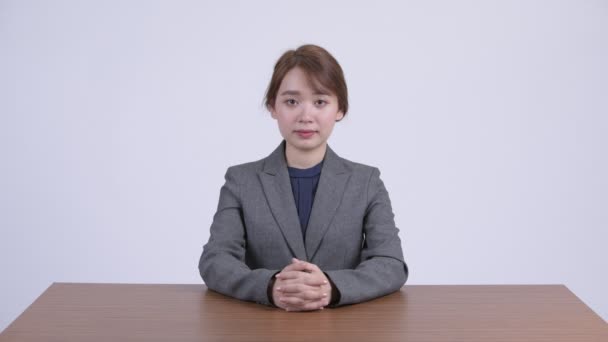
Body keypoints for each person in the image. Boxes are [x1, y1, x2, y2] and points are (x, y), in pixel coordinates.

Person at [199, 44, 408, 312]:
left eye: (320, 102)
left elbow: (390, 263)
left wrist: (331, 287)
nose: (305, 116)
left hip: (345, 328)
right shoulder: (241, 181)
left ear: (340, 109)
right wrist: (270, 286)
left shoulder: (366, 182)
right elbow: (215, 260)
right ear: (273, 107)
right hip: (262, 326)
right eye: (291, 102)